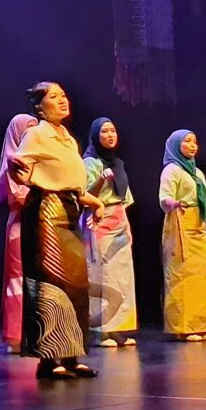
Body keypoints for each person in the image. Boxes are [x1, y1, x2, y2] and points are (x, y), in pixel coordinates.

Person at [9, 82, 104, 379]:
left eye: (63, 95)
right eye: (54, 96)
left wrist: (94, 201)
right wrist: (21, 174)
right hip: (47, 211)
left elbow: (72, 182)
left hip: (70, 208)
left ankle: (72, 356)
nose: (62, 100)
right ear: (40, 107)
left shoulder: (67, 139)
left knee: (76, 284)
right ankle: (49, 360)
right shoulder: (36, 134)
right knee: (51, 282)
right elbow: (19, 168)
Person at [158, 130, 206, 341]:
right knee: (182, 276)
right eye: (187, 141)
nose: (193, 145)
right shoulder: (171, 170)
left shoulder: (197, 173)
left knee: (202, 276)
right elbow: (164, 198)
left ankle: (201, 325)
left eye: (195, 142)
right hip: (179, 223)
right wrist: (173, 203)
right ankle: (184, 328)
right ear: (176, 145)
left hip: (199, 225)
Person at [83, 117, 138, 348]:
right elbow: (83, 194)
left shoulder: (118, 164)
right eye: (104, 131)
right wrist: (99, 181)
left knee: (122, 275)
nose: (110, 135)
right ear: (96, 135)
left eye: (113, 131)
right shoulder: (90, 162)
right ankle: (101, 331)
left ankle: (118, 328)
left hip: (119, 220)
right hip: (99, 219)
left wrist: (127, 225)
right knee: (102, 275)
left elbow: (124, 199)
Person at [0, 114, 37, 353]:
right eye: (26, 131)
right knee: (18, 280)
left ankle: (38, 333)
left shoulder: (38, 160)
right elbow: (20, 197)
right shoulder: (12, 163)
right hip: (21, 225)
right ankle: (16, 335)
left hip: (40, 224)